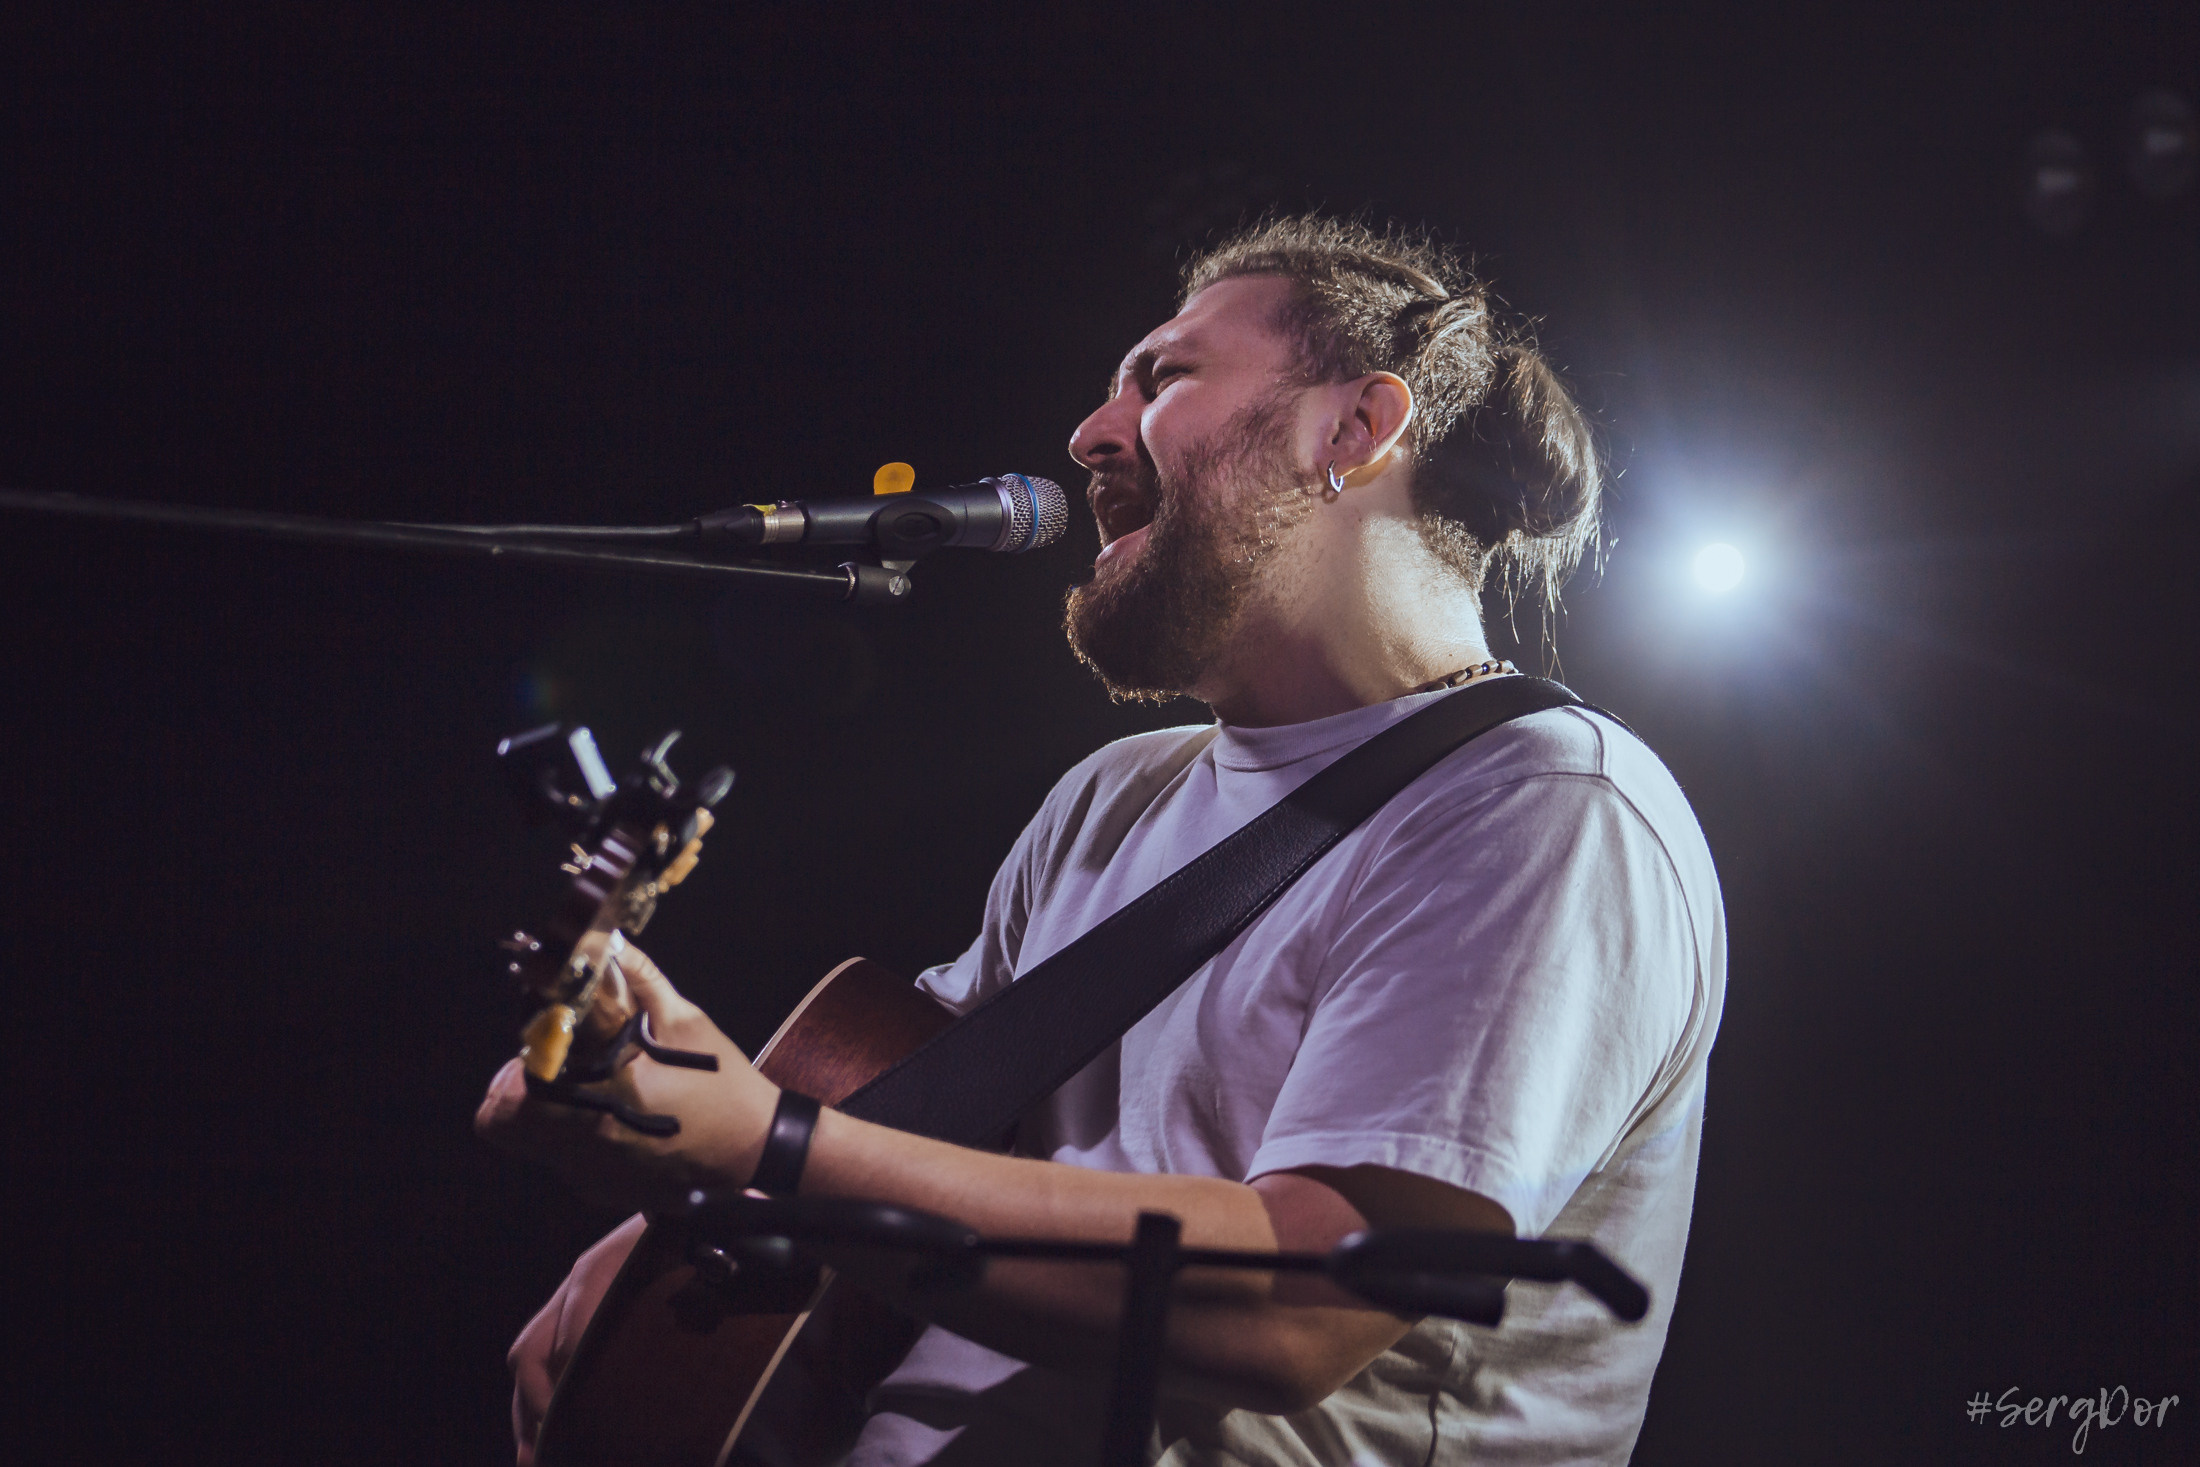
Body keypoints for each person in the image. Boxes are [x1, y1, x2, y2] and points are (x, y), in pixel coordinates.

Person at [478, 216, 1727, 1466]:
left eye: (1166, 374)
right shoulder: (1111, 798)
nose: (1086, 435)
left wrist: (770, 1144)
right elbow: (905, 1141)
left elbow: (1301, 1307)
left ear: (1354, 430)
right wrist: (686, 1205)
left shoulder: (1545, 805)